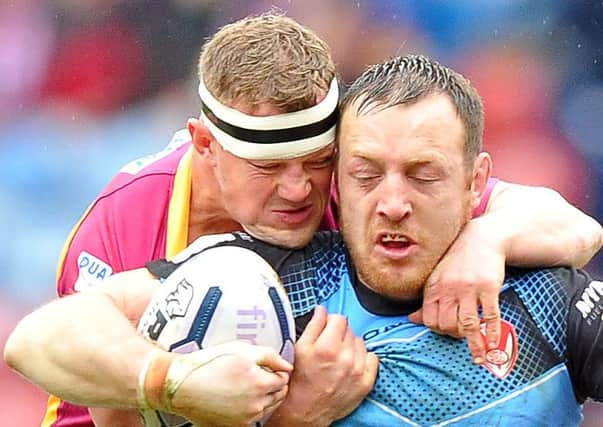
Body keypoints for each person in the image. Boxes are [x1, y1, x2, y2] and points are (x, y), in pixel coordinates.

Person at [4, 12, 602, 427]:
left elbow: (577, 229)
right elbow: (41, 345)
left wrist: (487, 237)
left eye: (318, 162)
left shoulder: (366, 186)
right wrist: (175, 382)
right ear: (204, 146)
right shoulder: (129, 222)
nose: (298, 190)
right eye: (268, 166)